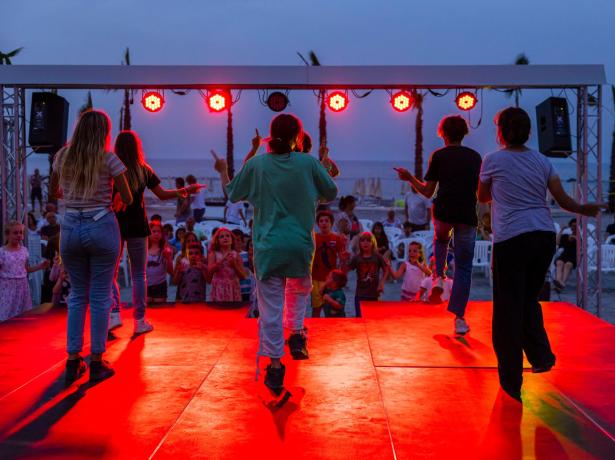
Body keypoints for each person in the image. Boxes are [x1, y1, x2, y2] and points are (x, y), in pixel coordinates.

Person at [477, 106, 603, 401]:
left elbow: (481, 196)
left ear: (501, 133)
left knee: (508, 310)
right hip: (543, 237)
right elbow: (563, 201)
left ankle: (511, 383)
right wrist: (585, 209)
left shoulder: (492, 160)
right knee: (528, 299)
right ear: (529, 132)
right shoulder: (542, 161)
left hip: (512, 239)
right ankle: (541, 356)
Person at [214, 113, 337, 396]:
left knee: (270, 310)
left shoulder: (257, 164)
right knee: (299, 288)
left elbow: (232, 193)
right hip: (299, 246)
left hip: (268, 247)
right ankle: (296, 333)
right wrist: (323, 165)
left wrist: (222, 169)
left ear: (270, 136)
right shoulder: (308, 163)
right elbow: (330, 192)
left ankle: (275, 366)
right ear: (297, 137)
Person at [49, 109, 133, 383]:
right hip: (101, 225)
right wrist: (114, 196)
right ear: (104, 132)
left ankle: (73, 360)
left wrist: (75, 193)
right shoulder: (108, 158)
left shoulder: (62, 156)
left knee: (76, 297)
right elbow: (128, 196)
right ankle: (96, 360)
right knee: (100, 297)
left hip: (71, 226)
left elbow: (55, 192)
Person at [395, 115, 482, 335]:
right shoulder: (475, 157)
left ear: (443, 133)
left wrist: (409, 178)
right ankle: (459, 317)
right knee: (464, 267)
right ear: (464, 133)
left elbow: (427, 191)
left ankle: (439, 275)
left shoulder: (439, 156)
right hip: (467, 215)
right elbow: (481, 193)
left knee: (441, 238)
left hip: (443, 212)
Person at [109, 131, 202, 334]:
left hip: (114, 224)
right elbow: (161, 195)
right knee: (139, 275)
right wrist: (186, 190)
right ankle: (139, 320)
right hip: (138, 225)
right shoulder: (143, 170)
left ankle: (113, 314)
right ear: (137, 148)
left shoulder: (111, 170)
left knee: (111, 272)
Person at [0, 221, 49, 322]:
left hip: (23, 286)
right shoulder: (2, 252)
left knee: (22, 315)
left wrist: (40, 266)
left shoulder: (24, 250)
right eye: (15, 233)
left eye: (20, 232)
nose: (19, 235)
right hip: (8, 287)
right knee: (7, 313)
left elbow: (26, 269)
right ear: (7, 235)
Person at [311, 210, 348, 318]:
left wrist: (344, 258)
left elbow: (342, 259)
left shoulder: (337, 239)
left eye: (326, 221)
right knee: (316, 308)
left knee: (332, 309)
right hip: (315, 278)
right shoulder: (314, 238)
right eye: (321, 221)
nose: (324, 223)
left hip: (332, 281)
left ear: (331, 223)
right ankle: (316, 329)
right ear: (317, 224)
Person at [344, 232, 390, 317]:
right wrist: (344, 260)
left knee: (373, 318)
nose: (365, 242)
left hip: (374, 294)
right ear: (359, 243)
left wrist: (382, 282)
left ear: (373, 242)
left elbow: (386, 270)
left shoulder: (377, 257)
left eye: (368, 240)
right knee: (360, 318)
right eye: (362, 240)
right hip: (360, 294)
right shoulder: (357, 258)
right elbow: (346, 269)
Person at [207, 227, 246, 302]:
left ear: (232, 240)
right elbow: (209, 271)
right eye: (222, 236)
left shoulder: (236, 255)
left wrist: (234, 265)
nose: (225, 238)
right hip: (219, 287)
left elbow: (243, 276)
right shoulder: (214, 254)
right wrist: (219, 263)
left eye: (228, 236)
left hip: (233, 287)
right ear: (217, 240)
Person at [146, 222, 174, 304]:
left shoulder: (165, 250)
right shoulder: (144, 249)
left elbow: (171, 271)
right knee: (147, 310)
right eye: (153, 231)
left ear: (162, 234)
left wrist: (168, 258)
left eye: (159, 232)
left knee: (159, 309)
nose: (156, 234)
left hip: (160, 284)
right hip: (145, 284)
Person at [553, 218, 577, 292]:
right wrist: (561, 230)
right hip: (565, 254)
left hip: (574, 256)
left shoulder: (581, 236)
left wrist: (575, 237)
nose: (574, 228)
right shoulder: (566, 236)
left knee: (568, 265)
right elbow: (557, 242)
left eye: (576, 226)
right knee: (559, 262)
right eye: (572, 226)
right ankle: (559, 283)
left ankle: (561, 284)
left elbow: (583, 246)